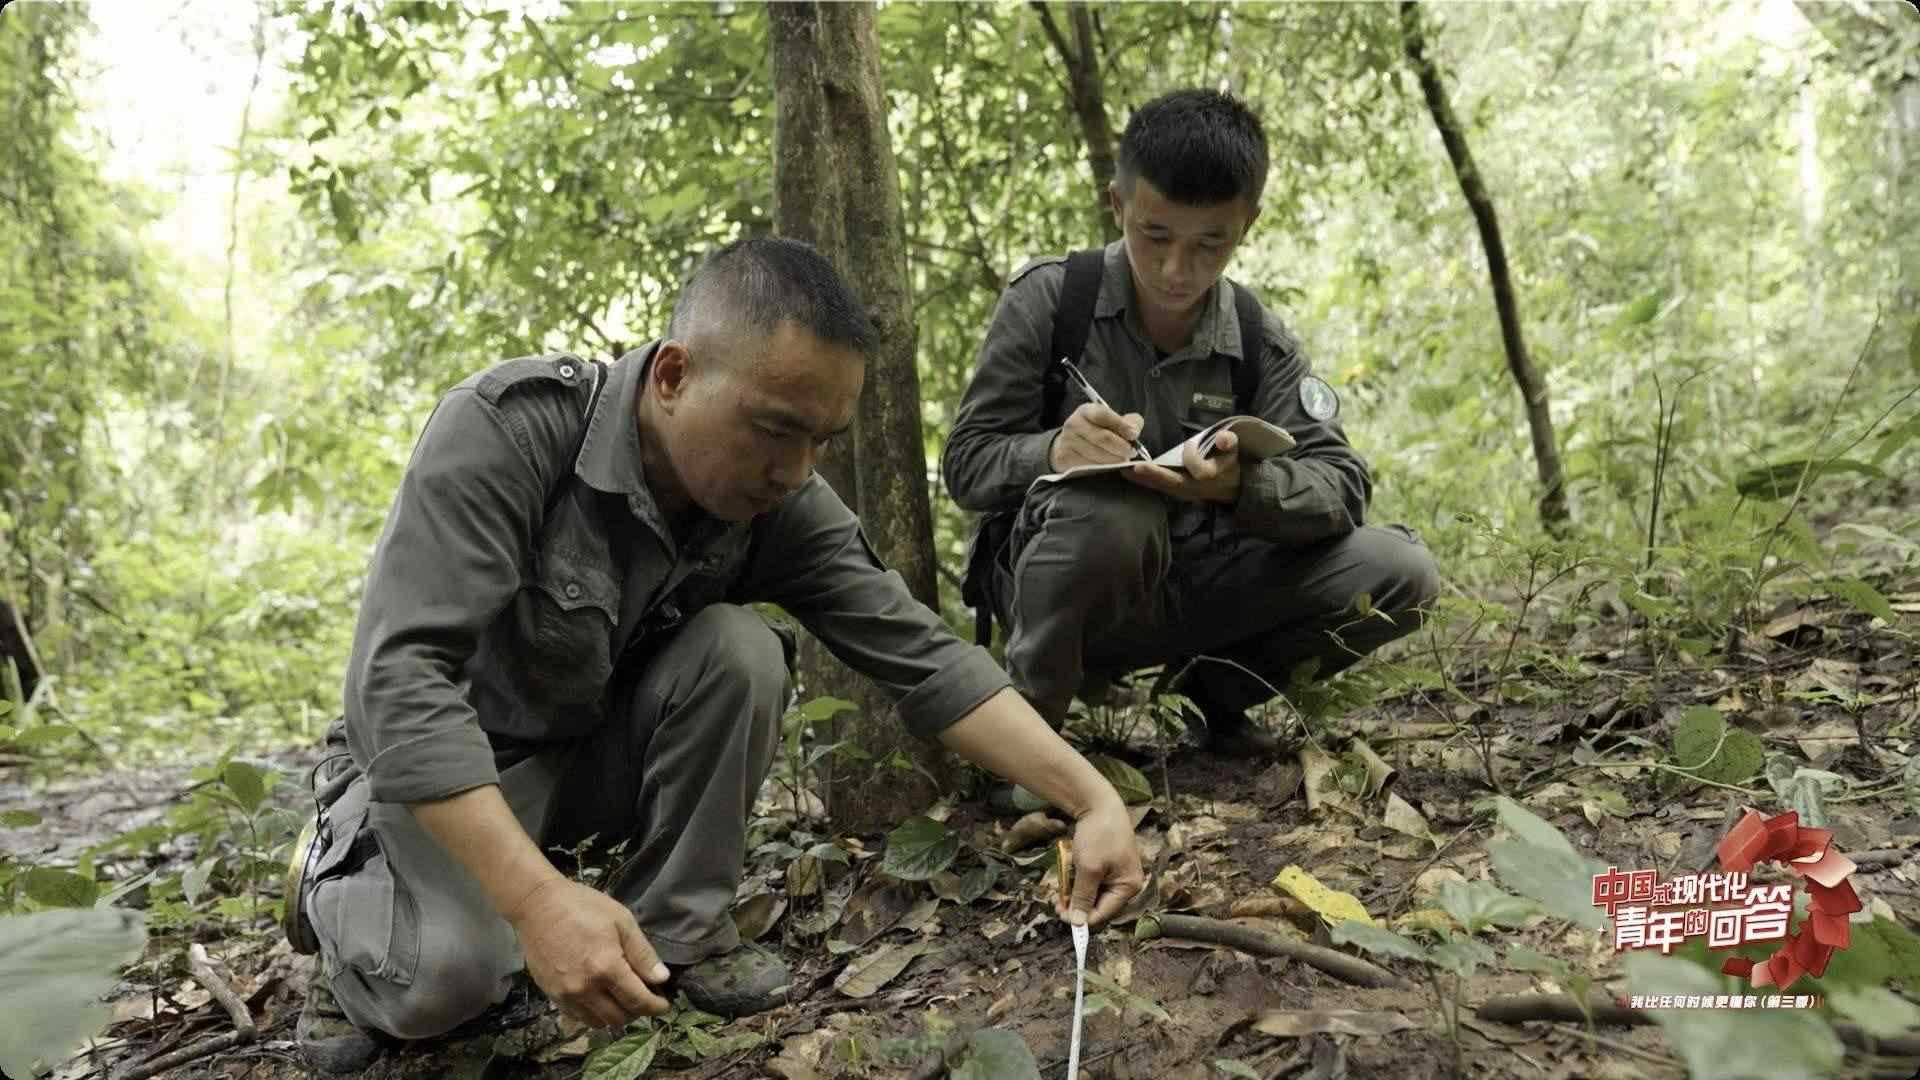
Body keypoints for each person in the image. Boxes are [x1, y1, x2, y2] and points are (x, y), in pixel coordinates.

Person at [288, 236, 1144, 1071]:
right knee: (447, 985)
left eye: (821, 440)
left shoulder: (778, 501)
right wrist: (539, 901)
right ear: (673, 376)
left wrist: (1091, 798)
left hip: (588, 759)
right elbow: (397, 684)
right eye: (774, 428)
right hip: (452, 779)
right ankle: (339, 909)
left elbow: (925, 656)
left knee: (740, 650)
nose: (795, 469)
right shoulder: (508, 434)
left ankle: (676, 935)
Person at [943, 88, 1440, 767]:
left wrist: (1239, 487)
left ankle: (1214, 696)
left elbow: (1343, 484)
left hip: (1206, 587)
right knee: (1115, 517)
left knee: (1402, 571)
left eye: (1211, 243)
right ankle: (1030, 751)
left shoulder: (1258, 340)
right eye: (1155, 236)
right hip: (1068, 592)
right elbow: (967, 463)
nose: (1178, 269)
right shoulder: (1051, 300)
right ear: (1117, 204)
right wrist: (1053, 449)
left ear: (1247, 225)